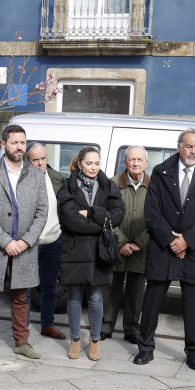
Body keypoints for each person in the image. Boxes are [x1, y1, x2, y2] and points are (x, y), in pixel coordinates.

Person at [136, 129, 195, 370]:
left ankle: (194, 353)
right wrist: (172, 241)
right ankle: (145, 347)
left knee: (194, 305)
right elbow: (151, 212)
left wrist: (187, 241)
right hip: (163, 246)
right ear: (179, 147)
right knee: (152, 300)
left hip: (194, 250)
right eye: (188, 146)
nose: (192, 151)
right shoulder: (160, 172)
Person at [0, 124, 49, 361]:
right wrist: (6, 242)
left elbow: (42, 212)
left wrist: (26, 241)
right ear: (4, 144)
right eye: (15, 142)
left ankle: (22, 342)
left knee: (20, 297)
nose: (19, 147)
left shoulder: (36, 175)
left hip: (25, 246)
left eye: (22, 142)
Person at [57, 146, 126, 361]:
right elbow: (70, 220)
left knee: (96, 297)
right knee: (75, 296)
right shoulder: (68, 187)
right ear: (79, 164)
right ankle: (75, 339)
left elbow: (118, 215)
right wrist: (101, 225)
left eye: (97, 163)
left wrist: (91, 212)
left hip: (100, 250)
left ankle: (94, 341)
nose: (94, 167)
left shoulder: (108, 185)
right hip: (75, 247)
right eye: (89, 163)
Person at [102, 146, 149, 343]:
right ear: (125, 162)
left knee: (136, 291)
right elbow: (105, 215)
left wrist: (139, 242)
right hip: (116, 246)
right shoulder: (112, 184)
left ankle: (131, 329)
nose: (136, 163)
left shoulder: (156, 185)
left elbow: (160, 218)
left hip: (142, 248)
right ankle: (106, 327)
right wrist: (121, 242)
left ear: (146, 162)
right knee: (111, 287)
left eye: (139, 159)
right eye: (132, 159)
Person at [26, 142, 66, 340]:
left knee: (50, 287)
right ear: (27, 160)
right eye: (36, 159)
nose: (41, 163)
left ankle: (47, 325)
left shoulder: (56, 177)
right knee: (24, 288)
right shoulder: (22, 179)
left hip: (52, 240)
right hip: (29, 242)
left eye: (43, 158)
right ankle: (22, 329)